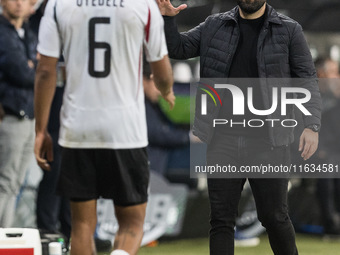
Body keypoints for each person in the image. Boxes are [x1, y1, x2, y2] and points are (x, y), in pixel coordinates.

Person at [156, 0, 321, 254]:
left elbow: (306, 79)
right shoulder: (214, 25)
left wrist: (311, 124)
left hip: (269, 140)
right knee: (221, 220)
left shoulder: (289, 30)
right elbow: (177, 48)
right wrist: (167, 19)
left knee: (275, 217)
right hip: (223, 139)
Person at [34, 1, 174, 255]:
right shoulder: (144, 5)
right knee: (132, 223)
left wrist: (41, 130)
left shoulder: (58, 4)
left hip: (77, 130)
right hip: (125, 131)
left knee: (81, 226)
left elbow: (45, 71)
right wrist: (167, 91)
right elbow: (161, 73)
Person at [0, 0, 37, 227]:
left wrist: (35, 66)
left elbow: (40, 68)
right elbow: (24, 73)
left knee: (14, 184)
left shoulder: (26, 32)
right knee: (5, 182)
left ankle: (4, 239)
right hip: (10, 115)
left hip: (28, 115)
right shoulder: (2, 33)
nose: (18, 3)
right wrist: (33, 66)